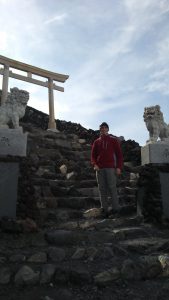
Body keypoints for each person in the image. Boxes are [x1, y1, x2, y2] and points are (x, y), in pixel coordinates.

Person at [91, 122, 123, 216]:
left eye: (105, 128)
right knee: (102, 189)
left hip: (111, 168)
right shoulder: (96, 142)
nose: (103, 129)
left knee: (112, 188)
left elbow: (119, 155)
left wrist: (119, 167)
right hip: (100, 169)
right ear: (100, 129)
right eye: (102, 128)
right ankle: (104, 209)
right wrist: (95, 164)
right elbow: (93, 156)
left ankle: (115, 209)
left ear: (108, 129)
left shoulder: (113, 140)